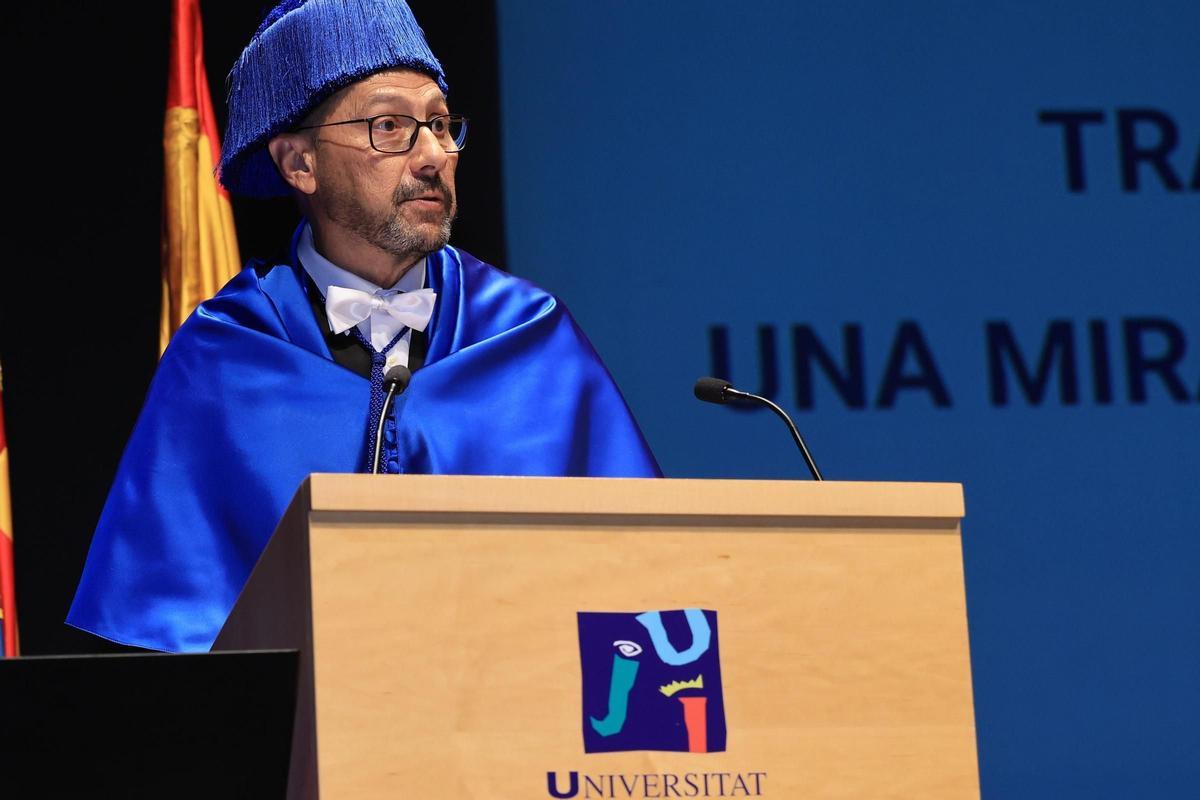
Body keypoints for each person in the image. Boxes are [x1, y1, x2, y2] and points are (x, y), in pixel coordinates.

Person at [67, 0, 659, 654]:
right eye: (389, 127)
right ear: (300, 164)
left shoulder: (530, 338)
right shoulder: (225, 356)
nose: (433, 155)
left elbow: (646, 588)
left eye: (439, 124)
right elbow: (162, 646)